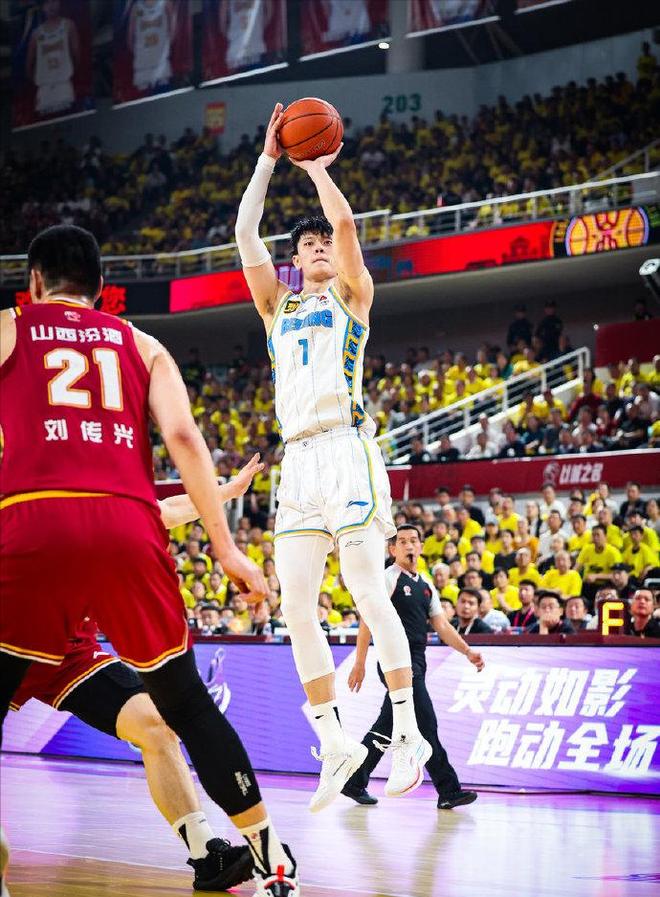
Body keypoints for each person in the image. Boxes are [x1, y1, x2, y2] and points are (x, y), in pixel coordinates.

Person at [0, 225, 298, 897]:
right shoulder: (141, 342)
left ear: (33, 284)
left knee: (156, 725)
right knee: (185, 702)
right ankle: (274, 859)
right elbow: (184, 437)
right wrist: (226, 543)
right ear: (103, 288)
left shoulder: (11, 328)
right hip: (123, 525)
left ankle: (207, 854)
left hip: (35, 536)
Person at [235, 105, 428, 813]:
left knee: (366, 588)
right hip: (298, 462)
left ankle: (407, 734)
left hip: (347, 448)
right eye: (307, 245)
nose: (318, 247)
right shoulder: (276, 308)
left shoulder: (352, 295)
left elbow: (345, 226)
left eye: (322, 243)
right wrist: (268, 159)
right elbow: (244, 233)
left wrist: (316, 169)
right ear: (294, 260)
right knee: (294, 605)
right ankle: (335, 739)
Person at [9, 463, 261, 891]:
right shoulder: (27, 503)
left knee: (156, 725)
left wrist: (226, 491)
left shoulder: (105, 510)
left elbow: (169, 510)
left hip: (70, 654)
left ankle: (206, 854)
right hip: (9, 641)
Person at [342, 525, 483, 809]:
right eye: (402, 541)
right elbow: (367, 620)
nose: (409, 545)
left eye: (413, 541)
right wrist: (359, 663)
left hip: (418, 660)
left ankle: (355, 781)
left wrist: (467, 651)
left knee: (386, 726)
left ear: (420, 547)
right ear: (392, 549)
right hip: (395, 662)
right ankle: (449, 790)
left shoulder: (426, 584)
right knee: (426, 724)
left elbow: (442, 625)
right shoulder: (386, 578)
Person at [26, 0, 80, 117]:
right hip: (44, 91)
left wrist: (67, 73)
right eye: (47, 2)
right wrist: (40, 83)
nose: (51, 6)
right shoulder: (36, 34)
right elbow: (29, 65)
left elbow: (76, 55)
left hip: (65, 87)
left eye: (54, 1)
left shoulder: (68, 25)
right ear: (42, 6)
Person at [128, 0, 175, 93]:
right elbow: (131, 33)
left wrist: (168, 45)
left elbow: (172, 29)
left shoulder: (165, 4)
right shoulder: (137, 8)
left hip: (160, 59)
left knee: (163, 92)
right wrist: (134, 49)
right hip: (143, 59)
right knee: (145, 94)